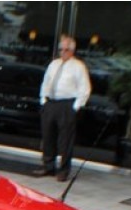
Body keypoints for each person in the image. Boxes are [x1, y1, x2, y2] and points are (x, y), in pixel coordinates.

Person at [34, 35, 91, 181]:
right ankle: (48, 166)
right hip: (50, 103)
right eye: (60, 49)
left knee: (65, 140)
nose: (62, 52)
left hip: (66, 105)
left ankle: (63, 170)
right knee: (48, 136)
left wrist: (75, 107)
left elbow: (84, 88)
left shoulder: (78, 66)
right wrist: (43, 100)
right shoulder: (54, 64)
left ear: (72, 51)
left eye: (66, 50)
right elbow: (45, 82)